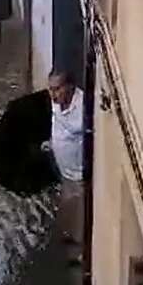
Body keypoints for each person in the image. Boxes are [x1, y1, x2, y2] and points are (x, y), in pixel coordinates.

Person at [42, 68, 87, 266]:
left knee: (81, 213)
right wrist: (52, 143)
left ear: (69, 87)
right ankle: (70, 237)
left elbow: (80, 131)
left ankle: (81, 251)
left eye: (57, 89)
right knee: (68, 207)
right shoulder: (55, 102)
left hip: (79, 174)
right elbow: (57, 122)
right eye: (50, 89)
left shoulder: (83, 106)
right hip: (64, 170)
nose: (52, 94)